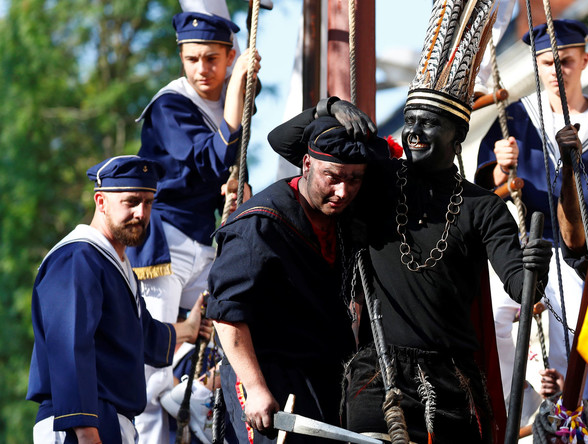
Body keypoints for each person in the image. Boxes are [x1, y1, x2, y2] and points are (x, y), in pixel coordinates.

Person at [269, 3, 554, 442]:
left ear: (457, 136)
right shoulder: (377, 176)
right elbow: (282, 143)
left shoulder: (483, 207)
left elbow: (522, 286)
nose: (415, 132)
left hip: (455, 382)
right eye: (410, 121)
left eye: (430, 123)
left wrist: (535, 266)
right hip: (376, 373)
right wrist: (327, 109)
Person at [206, 111, 388, 443]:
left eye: (355, 179)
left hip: (322, 380)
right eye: (332, 176)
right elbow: (225, 314)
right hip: (268, 380)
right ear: (306, 164)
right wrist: (257, 389)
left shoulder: (344, 218)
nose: (343, 191)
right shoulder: (261, 224)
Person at [127, 11, 260, 443]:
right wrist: (238, 87)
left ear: (229, 56)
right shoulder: (170, 105)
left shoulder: (224, 103)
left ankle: (196, 397)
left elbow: (230, 169)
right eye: (192, 59)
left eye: (212, 60)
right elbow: (213, 158)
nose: (202, 70)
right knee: (151, 366)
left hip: (206, 242)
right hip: (166, 244)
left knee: (235, 320)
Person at [26, 155, 210, 444]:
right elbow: (70, 348)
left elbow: (144, 335)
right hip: (80, 424)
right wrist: (87, 433)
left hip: (111, 424)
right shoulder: (78, 257)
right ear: (101, 201)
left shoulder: (116, 265)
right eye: (131, 201)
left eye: (149, 202)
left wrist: (190, 327)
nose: (141, 212)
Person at [475, 19, 588, 378]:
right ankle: (510, 405)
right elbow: (488, 189)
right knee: (489, 317)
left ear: (585, 61)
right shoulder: (518, 118)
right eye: (546, 62)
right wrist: (501, 168)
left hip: (580, 256)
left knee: (572, 337)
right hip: (525, 243)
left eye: (566, 60)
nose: (557, 70)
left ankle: (565, 420)